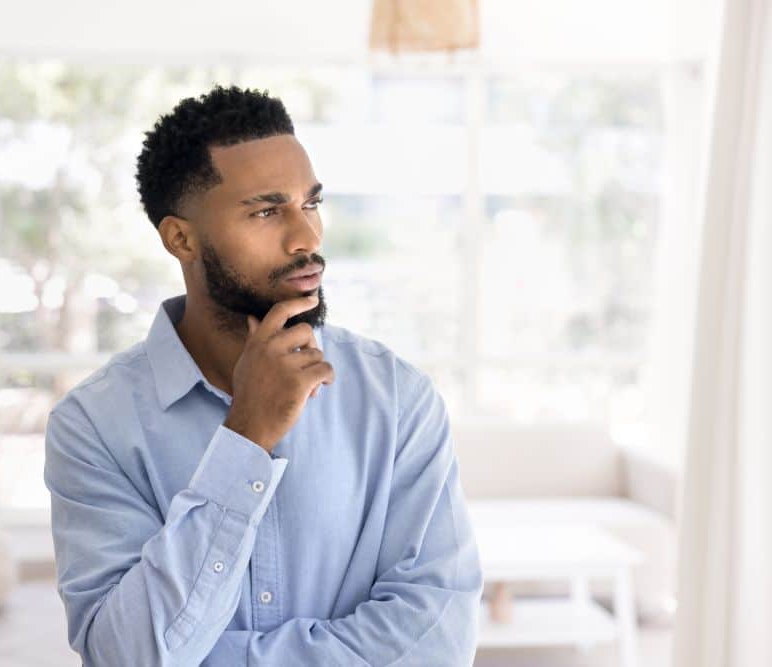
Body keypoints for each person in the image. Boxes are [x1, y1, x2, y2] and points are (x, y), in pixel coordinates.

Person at [44, 83, 484, 666]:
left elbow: (438, 637)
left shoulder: (397, 398)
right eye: (267, 210)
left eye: (311, 203)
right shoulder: (93, 425)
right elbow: (126, 655)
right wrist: (245, 440)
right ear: (181, 238)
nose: (307, 238)